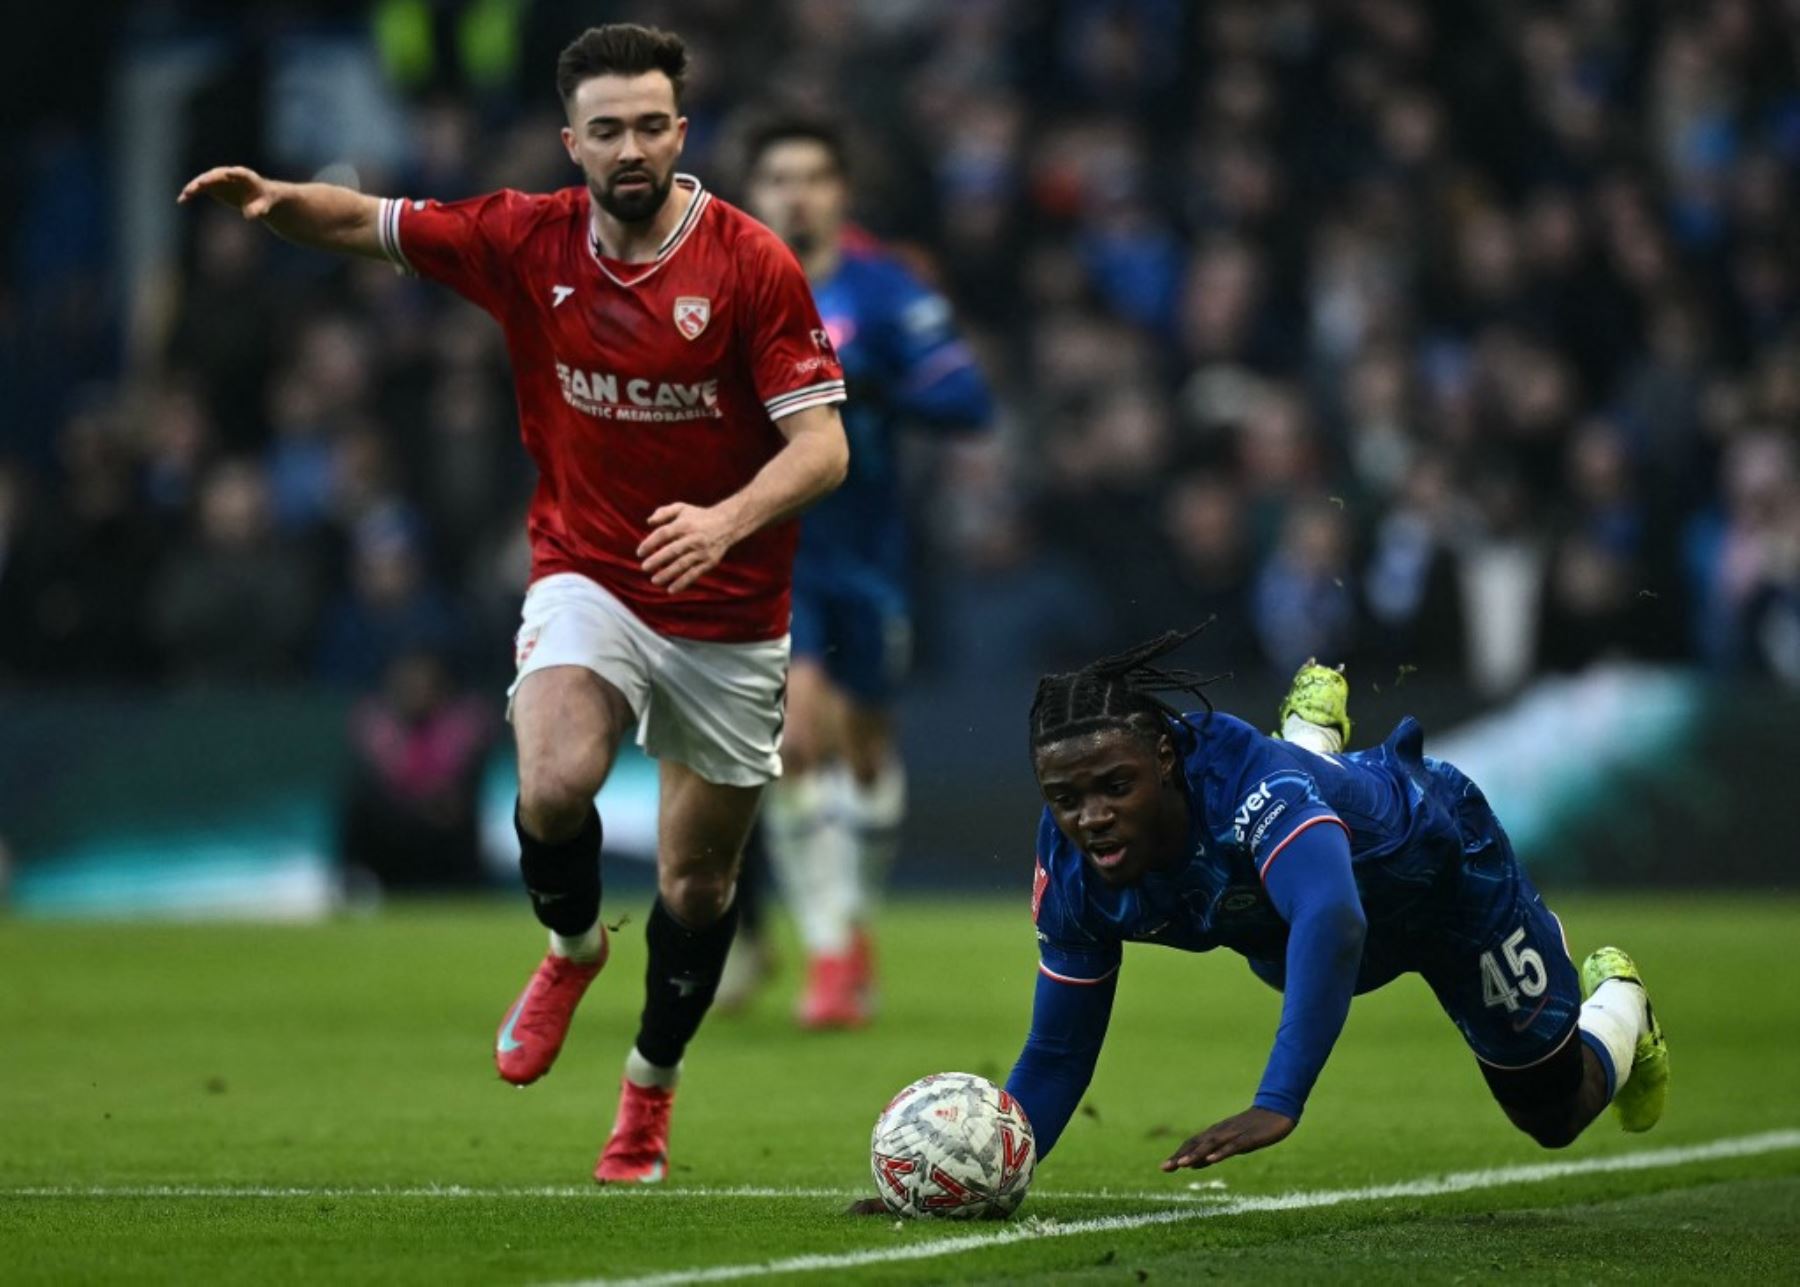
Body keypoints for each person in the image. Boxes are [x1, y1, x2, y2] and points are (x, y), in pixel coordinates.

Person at [179, 23, 849, 1183]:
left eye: (651, 125)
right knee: (549, 785)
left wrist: (725, 520)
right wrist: (278, 198)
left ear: (680, 134)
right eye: (607, 130)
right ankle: (572, 947)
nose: (630, 147)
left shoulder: (749, 264)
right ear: (571, 142)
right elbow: (370, 221)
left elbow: (823, 446)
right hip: (587, 568)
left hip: (730, 605)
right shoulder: (522, 237)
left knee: (700, 883)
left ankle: (648, 1093)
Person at [998, 626, 1668, 1176]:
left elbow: (1334, 917)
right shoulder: (1070, 870)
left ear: (1166, 758)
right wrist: (990, 1166)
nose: (1092, 816)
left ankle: (1620, 1001)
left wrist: (1278, 1099)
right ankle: (1310, 739)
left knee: (1554, 1114)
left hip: (1444, 877)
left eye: (1116, 785)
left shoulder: (1251, 787)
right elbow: (1058, 1050)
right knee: (1281, 907)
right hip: (1286, 925)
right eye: (1066, 799)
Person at [729, 115, 992, 1026]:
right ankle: (831, 951)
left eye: (812, 176)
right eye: (778, 177)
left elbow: (968, 398)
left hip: (869, 554)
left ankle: (853, 917)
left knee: (866, 755)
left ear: (840, 193)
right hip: (771, 545)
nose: (795, 193)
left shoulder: (884, 293)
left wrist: (875, 383)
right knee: (796, 740)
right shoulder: (729, 286)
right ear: (757, 193)